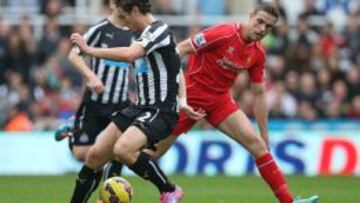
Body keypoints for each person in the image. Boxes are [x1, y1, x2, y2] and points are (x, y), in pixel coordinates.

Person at [147, 2, 319, 203]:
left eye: (268, 26)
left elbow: (259, 92)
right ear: (251, 16)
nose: (263, 29)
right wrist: (173, 93)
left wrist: (264, 132)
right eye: (260, 22)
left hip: (220, 101)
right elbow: (180, 49)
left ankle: (288, 202)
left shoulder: (257, 53)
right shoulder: (223, 33)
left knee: (258, 146)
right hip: (191, 99)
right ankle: (116, 179)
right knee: (149, 154)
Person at [69, 0, 204, 203]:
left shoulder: (159, 30)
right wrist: (184, 101)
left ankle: (169, 190)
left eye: (124, 17)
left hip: (161, 110)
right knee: (94, 157)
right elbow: (176, 69)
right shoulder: (140, 35)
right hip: (138, 107)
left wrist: (89, 50)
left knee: (123, 149)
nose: (123, 23)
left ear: (134, 10)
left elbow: (131, 54)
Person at [55, 0, 133, 190]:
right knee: (81, 154)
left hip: (120, 104)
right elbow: (74, 54)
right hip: (95, 103)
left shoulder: (134, 32)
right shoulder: (100, 29)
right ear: (113, 4)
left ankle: (109, 194)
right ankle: (74, 127)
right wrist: (91, 77)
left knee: (120, 150)